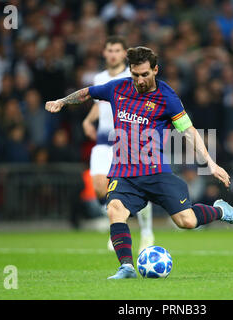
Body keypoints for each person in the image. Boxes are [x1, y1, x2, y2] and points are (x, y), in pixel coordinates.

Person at [45, 46, 233, 280]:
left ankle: (221, 211)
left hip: (156, 172)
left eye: (144, 74)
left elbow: (188, 131)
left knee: (187, 221)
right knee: (115, 210)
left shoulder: (167, 96)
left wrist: (211, 164)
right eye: (135, 74)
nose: (140, 80)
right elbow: (87, 93)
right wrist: (62, 101)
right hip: (124, 173)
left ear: (155, 70)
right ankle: (126, 267)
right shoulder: (117, 88)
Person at [81, 36, 154, 253]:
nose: (113, 53)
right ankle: (119, 227)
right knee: (99, 186)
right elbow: (100, 104)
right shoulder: (99, 77)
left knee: (139, 188)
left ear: (124, 54)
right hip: (104, 139)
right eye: (109, 50)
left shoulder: (133, 76)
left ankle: (147, 232)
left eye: (117, 50)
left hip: (128, 139)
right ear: (104, 53)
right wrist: (87, 120)